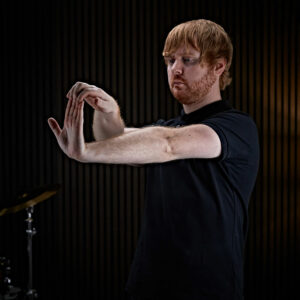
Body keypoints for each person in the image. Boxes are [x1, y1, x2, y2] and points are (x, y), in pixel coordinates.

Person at [48, 19, 259, 300]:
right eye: (170, 60)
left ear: (218, 66)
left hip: (206, 289)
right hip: (148, 286)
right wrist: (108, 114)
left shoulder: (236, 127)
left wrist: (83, 152)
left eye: (188, 60)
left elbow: (168, 145)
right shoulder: (167, 126)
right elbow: (120, 142)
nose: (176, 69)